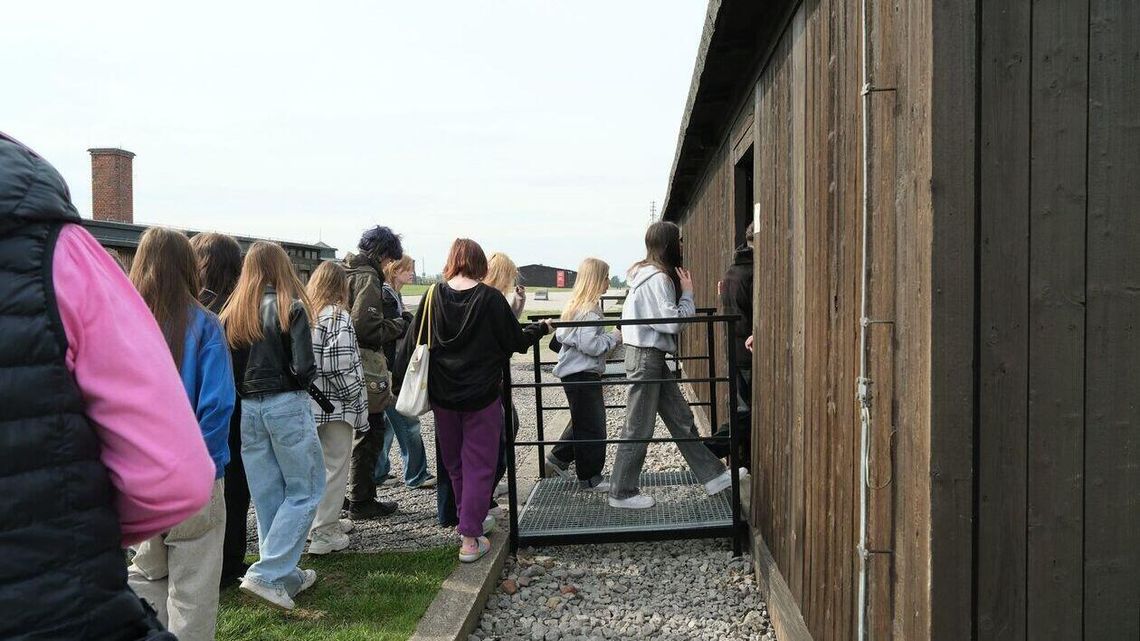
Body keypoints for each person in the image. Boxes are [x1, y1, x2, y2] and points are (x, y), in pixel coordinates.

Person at [0, 134, 214, 639]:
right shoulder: (60, 256)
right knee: (193, 577)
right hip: (58, 599)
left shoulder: (135, 297)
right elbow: (180, 465)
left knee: (150, 573)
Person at [401, 238, 550, 562]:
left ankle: (470, 519)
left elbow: (415, 340)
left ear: (451, 261)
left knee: (454, 462)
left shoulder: (431, 296)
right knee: (480, 463)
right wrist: (539, 329)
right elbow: (515, 341)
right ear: (480, 263)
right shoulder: (490, 298)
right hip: (481, 395)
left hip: (443, 396)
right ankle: (470, 538)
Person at [126, 228, 236, 640]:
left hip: (140, 476)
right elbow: (218, 405)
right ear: (190, 267)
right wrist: (200, 466)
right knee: (193, 589)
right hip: (194, 477)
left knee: (146, 573)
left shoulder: (123, 323)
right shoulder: (205, 325)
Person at [608, 221, 739, 509]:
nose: (682, 245)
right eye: (679, 240)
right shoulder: (659, 279)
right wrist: (688, 294)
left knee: (680, 418)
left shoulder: (645, 276)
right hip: (647, 357)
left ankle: (713, 475)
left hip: (648, 356)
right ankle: (621, 491)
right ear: (669, 244)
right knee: (638, 426)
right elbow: (672, 322)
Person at [220, 241, 322, 610]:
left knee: (268, 495)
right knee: (306, 488)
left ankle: (283, 573)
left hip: (248, 407)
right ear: (282, 268)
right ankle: (268, 573)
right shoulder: (289, 307)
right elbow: (303, 367)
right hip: (285, 402)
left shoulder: (233, 313)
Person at [189, 231, 251, 588]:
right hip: (235, 412)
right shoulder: (236, 308)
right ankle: (229, 564)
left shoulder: (191, 307)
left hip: (193, 412)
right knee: (234, 492)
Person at [343, 226, 411, 520]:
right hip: (363, 363)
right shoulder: (368, 277)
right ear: (383, 254)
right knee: (370, 431)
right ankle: (362, 499)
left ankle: (343, 497)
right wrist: (400, 324)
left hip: (341, 363)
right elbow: (367, 328)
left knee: (343, 436)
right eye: (388, 261)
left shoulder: (343, 270)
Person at [305, 261, 368, 555]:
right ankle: (324, 532)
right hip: (335, 406)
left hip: (309, 404)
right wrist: (355, 394)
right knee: (335, 467)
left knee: (313, 468)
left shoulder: (307, 313)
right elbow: (337, 363)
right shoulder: (337, 316)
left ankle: (315, 523)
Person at [543, 258, 622, 491]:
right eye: (606, 277)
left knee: (583, 421)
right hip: (584, 374)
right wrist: (614, 337)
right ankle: (590, 478)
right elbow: (592, 345)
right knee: (593, 427)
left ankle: (557, 459)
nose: (608, 282)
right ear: (597, 279)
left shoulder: (575, 307)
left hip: (573, 375)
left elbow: (567, 338)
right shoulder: (591, 312)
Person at [375, 255, 436, 489]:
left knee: (387, 423)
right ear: (394, 270)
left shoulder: (392, 294)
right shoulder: (388, 295)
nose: (411, 274)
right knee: (408, 422)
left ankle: (378, 472)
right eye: (407, 270)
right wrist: (405, 322)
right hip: (392, 366)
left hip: (387, 366)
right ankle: (416, 474)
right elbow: (390, 331)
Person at [707, 222, 755, 468]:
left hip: (734, 349)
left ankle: (740, 462)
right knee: (746, 412)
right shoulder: (752, 273)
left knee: (742, 409)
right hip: (749, 350)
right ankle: (707, 451)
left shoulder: (731, 271)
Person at [485, 251, 526, 318]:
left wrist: (518, 299)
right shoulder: (492, 298)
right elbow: (506, 325)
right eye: (509, 277)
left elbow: (507, 320)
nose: (510, 283)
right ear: (501, 276)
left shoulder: (484, 294)